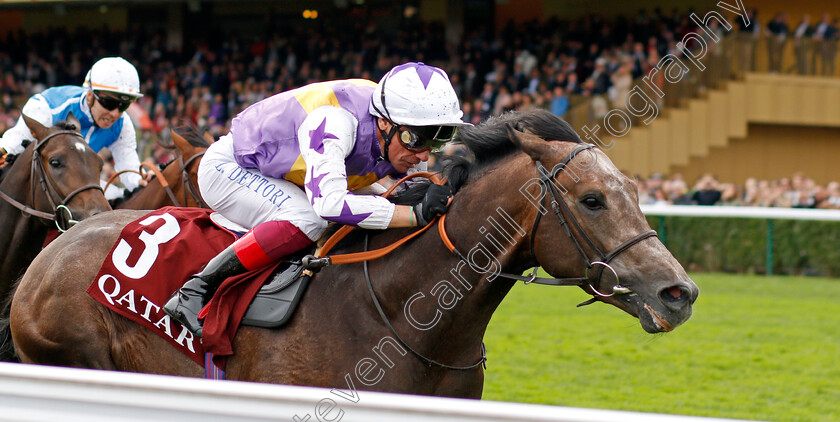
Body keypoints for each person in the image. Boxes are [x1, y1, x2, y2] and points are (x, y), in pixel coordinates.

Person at [163, 62, 471, 336]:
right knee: (309, 218)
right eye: (415, 139)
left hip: (285, 172)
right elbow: (330, 205)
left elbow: (405, 190)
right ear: (383, 123)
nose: (423, 154)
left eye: (438, 139)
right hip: (230, 168)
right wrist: (414, 215)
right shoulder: (336, 123)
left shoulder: (399, 124)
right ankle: (196, 289)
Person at [0, 57, 147, 198]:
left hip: (75, 184)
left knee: (116, 195)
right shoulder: (47, 107)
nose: (115, 113)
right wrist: (4, 151)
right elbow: (12, 145)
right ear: (89, 95)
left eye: (124, 105)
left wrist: (143, 180)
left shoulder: (123, 123)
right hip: (36, 183)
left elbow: (130, 171)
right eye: (109, 103)